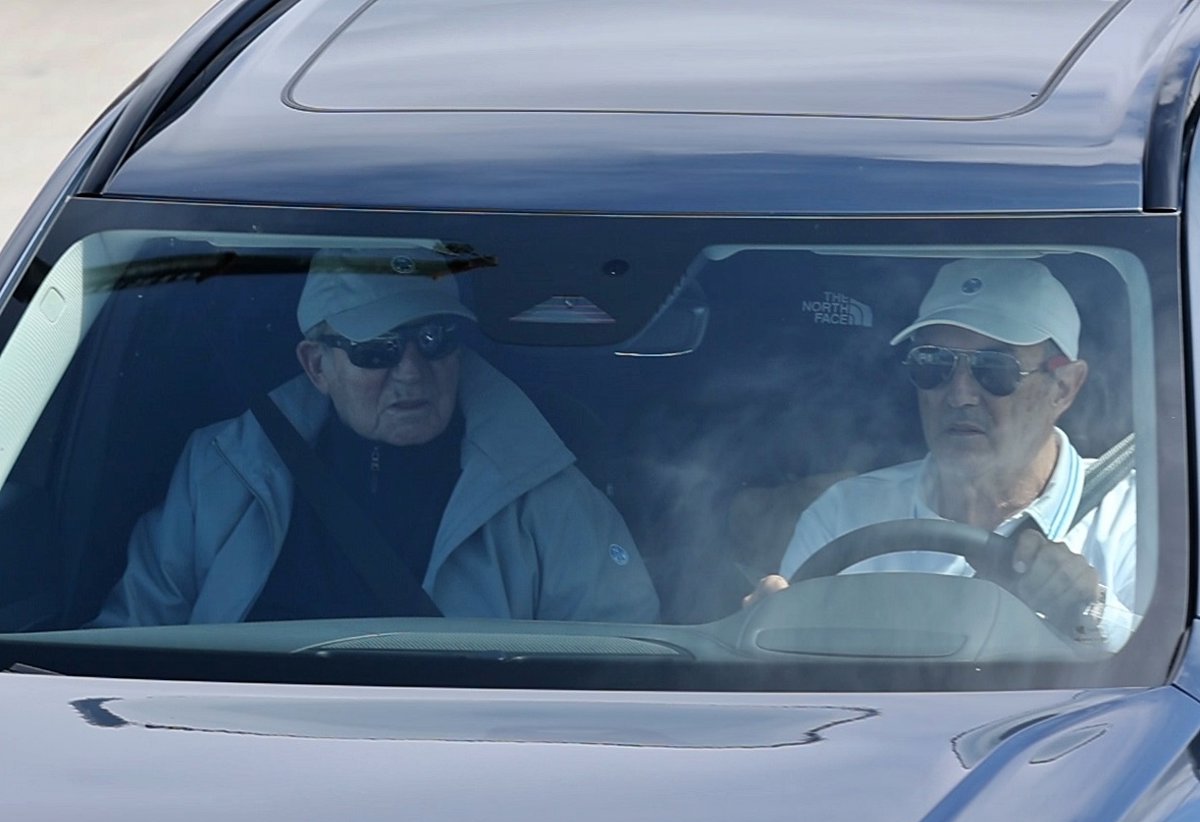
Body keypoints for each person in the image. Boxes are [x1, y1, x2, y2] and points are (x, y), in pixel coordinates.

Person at [95, 247, 659, 626]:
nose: (411, 372)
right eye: (377, 349)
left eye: (434, 339)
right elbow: (130, 641)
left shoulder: (545, 492)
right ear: (317, 366)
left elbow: (618, 670)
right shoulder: (221, 471)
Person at [752, 258, 1137, 650]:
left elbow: (1172, 668)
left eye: (995, 369)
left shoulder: (1137, 519)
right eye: (933, 364)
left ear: (1065, 387)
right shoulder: (842, 515)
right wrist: (762, 639)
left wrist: (1092, 612)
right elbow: (795, 674)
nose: (960, 395)